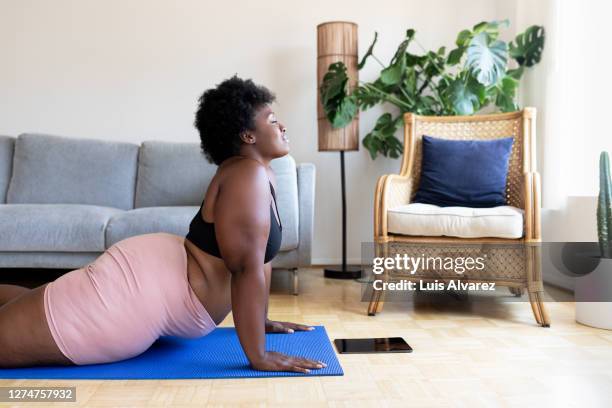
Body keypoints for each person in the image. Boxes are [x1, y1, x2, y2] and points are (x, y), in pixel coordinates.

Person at [0, 75, 326, 374]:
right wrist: (259, 355)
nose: (282, 126)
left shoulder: (261, 174)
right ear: (247, 134)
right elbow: (244, 268)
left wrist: (261, 320)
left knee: (34, 305)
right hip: (132, 294)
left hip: (146, 279)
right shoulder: (247, 174)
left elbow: (260, 261)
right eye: (272, 120)